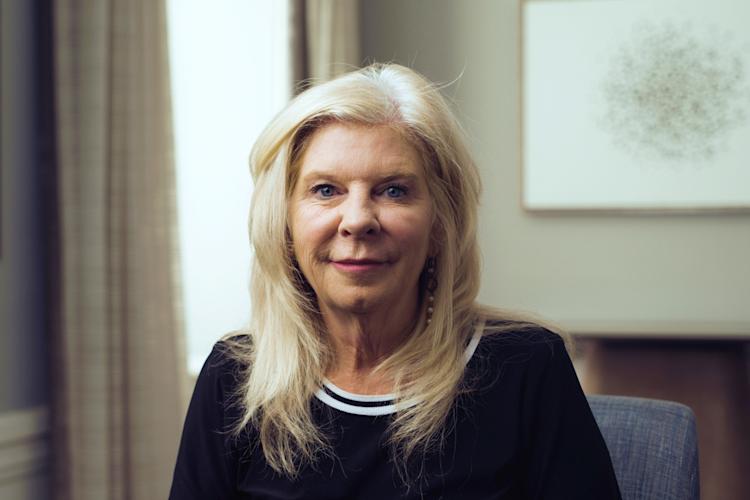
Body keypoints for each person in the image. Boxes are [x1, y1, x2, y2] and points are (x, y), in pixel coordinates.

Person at [169, 63, 622, 499]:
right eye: (326, 190)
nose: (357, 220)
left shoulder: (527, 366)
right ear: (284, 225)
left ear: (440, 224)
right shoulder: (234, 376)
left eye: (393, 190)